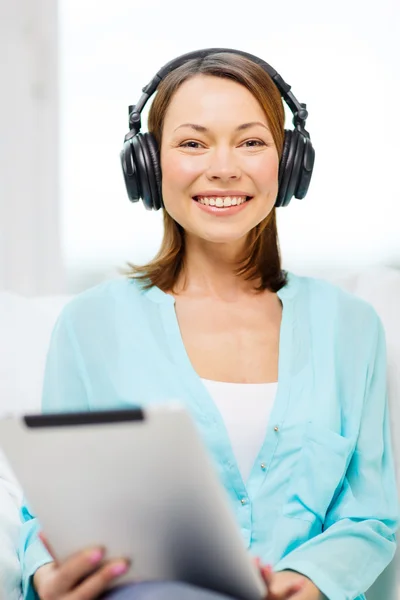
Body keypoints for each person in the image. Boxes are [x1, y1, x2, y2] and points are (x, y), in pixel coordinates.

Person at [18, 48, 398, 600]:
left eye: (251, 141)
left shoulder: (351, 327)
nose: (223, 166)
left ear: (290, 162)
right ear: (147, 165)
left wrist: (307, 582)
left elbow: (370, 517)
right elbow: (48, 510)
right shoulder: (90, 325)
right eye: (193, 143)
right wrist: (46, 575)